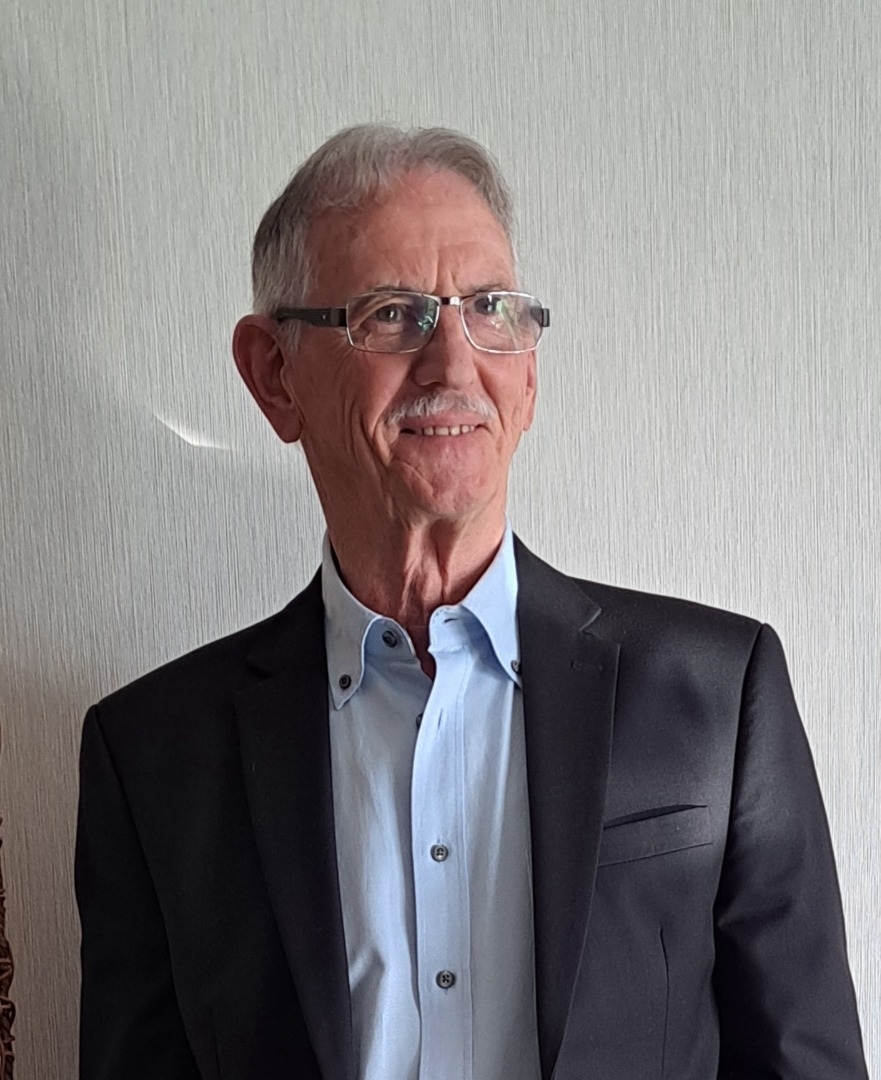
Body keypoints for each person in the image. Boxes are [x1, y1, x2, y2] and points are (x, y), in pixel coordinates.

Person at [75, 124, 868, 1080]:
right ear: (274, 376)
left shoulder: (717, 696)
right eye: (392, 314)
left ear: (528, 376)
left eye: (489, 309)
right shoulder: (154, 755)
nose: (454, 364)